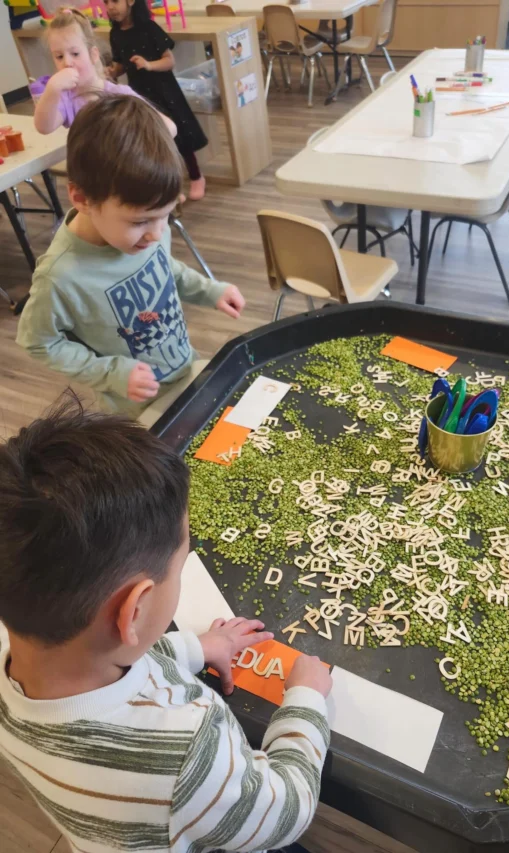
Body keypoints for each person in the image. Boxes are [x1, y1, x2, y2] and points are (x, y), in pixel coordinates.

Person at [0, 394, 332, 853]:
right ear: (134, 610)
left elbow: (119, 658)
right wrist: (306, 702)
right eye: (179, 564)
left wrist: (196, 647)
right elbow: (287, 811)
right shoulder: (185, 754)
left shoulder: (23, 657)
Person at [17, 95, 245, 418]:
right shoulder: (60, 277)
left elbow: (164, 268)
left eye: (166, 215)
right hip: (137, 413)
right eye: (140, 222)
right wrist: (112, 373)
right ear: (82, 198)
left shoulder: (150, 232)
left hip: (186, 375)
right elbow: (38, 342)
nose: (156, 233)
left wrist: (210, 292)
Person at [106, 0, 209, 201]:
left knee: (180, 134)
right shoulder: (115, 34)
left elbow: (169, 61)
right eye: (106, 2)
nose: (110, 7)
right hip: (140, 94)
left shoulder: (149, 28)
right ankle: (171, 184)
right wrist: (112, 72)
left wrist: (149, 65)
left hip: (164, 91)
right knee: (156, 140)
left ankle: (196, 176)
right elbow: (120, 64)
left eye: (115, 1)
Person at [33, 7, 176, 138]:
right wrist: (52, 89)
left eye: (75, 54)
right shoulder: (67, 99)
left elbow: (169, 128)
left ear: (93, 55)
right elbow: (44, 127)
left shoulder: (118, 95)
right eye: (59, 56)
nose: (67, 62)